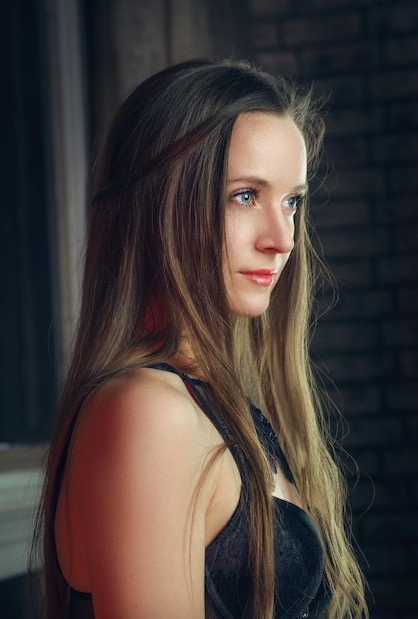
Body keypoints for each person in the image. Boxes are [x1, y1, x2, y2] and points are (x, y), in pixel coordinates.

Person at [35, 59, 368, 618]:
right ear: (163, 203)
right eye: (245, 196)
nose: (282, 239)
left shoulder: (211, 401)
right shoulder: (148, 411)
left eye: (292, 201)